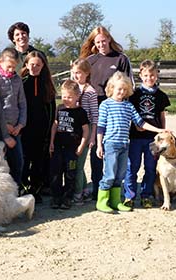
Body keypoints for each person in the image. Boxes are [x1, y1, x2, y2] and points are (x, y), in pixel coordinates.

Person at [95, 71, 167, 213]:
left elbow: (140, 122)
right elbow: (100, 127)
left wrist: (159, 130)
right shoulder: (105, 105)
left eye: (124, 89)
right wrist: (99, 145)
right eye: (118, 89)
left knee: (120, 174)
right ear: (112, 88)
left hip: (124, 144)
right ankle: (102, 201)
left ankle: (116, 201)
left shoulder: (128, 106)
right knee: (109, 174)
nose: (121, 92)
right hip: (110, 144)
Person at [79, 26, 134, 200]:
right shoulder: (90, 60)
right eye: (97, 42)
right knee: (97, 148)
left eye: (104, 41)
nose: (101, 44)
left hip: (116, 108)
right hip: (95, 108)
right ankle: (97, 188)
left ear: (109, 39)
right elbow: (81, 81)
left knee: (116, 150)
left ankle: (116, 190)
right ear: (93, 43)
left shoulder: (121, 59)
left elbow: (129, 85)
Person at [123, 59, 171, 208]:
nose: (149, 78)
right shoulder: (134, 94)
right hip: (136, 137)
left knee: (150, 168)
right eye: (146, 75)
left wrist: (163, 134)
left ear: (156, 75)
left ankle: (146, 194)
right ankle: (129, 196)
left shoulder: (161, 96)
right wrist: (135, 126)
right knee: (133, 167)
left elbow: (162, 116)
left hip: (153, 139)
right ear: (140, 76)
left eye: (152, 75)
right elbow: (129, 113)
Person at [20, 51, 56, 203]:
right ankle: (23, 187)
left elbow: (52, 110)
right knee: (24, 160)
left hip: (42, 131)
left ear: (43, 66)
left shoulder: (47, 84)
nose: (35, 67)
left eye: (38, 65)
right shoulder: (21, 83)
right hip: (24, 130)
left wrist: (50, 133)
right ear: (26, 65)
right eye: (32, 64)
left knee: (38, 161)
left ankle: (36, 189)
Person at [0, 47, 27, 186]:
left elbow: (22, 103)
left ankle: (15, 191)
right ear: (0, 62)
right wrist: (4, 125)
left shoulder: (17, 80)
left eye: (14, 67)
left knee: (18, 162)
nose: (11, 70)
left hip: (15, 129)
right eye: (9, 66)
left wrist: (20, 124)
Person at [49, 80, 89, 209]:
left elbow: (86, 131)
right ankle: (56, 197)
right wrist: (51, 142)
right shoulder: (59, 108)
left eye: (70, 97)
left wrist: (81, 146)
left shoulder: (81, 112)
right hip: (58, 146)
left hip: (72, 149)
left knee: (70, 173)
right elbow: (55, 125)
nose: (66, 99)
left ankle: (67, 198)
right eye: (64, 96)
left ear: (77, 96)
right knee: (56, 172)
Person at [70, 58, 98, 203]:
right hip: (72, 131)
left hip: (85, 133)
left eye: (79, 73)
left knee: (79, 165)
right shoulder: (73, 88)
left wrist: (92, 136)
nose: (76, 76)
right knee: (75, 162)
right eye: (74, 72)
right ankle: (85, 188)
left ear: (87, 73)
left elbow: (95, 116)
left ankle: (78, 193)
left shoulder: (90, 92)